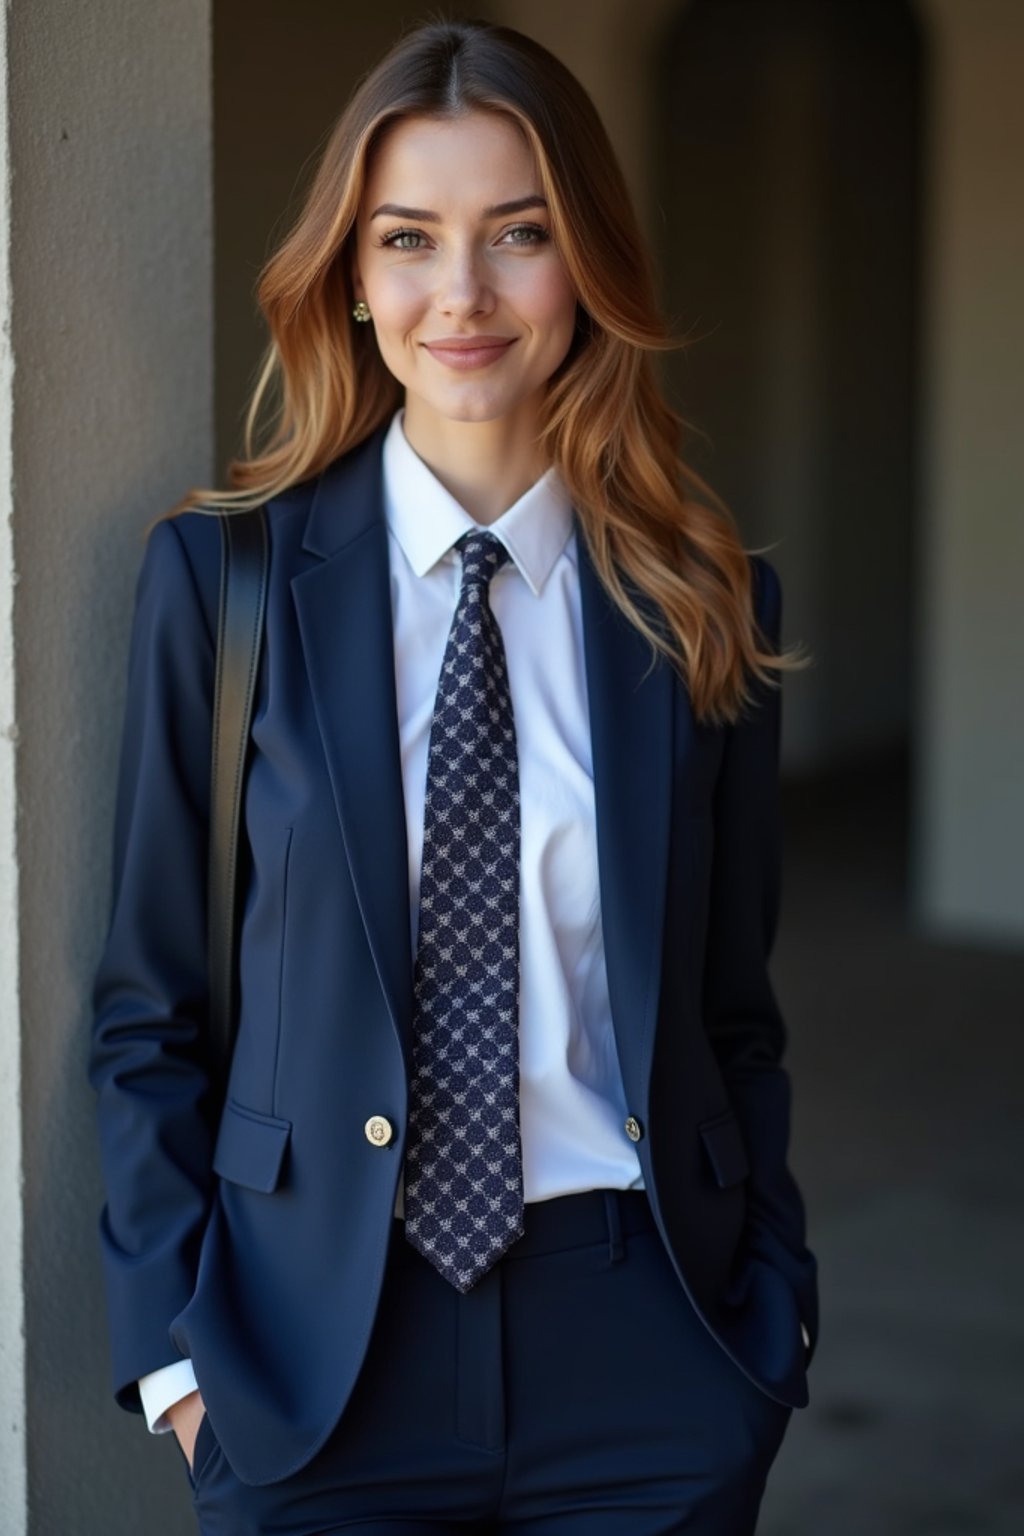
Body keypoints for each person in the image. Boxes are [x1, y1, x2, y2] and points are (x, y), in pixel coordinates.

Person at [89, 17, 819, 1535]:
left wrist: (766, 1324)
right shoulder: (227, 584)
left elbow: (732, 1013)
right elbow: (150, 1009)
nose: (463, 296)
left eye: (521, 235)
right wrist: (177, 1366)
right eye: (409, 238)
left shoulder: (703, 603)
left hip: (644, 1347)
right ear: (351, 276)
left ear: (590, 267)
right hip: (309, 1369)